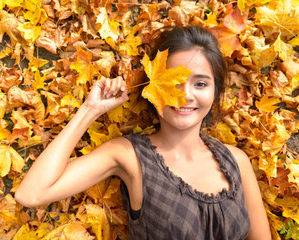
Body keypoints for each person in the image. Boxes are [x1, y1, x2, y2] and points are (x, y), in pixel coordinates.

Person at [15, 26, 271, 239]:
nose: (186, 95)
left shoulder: (235, 162)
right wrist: (90, 109)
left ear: (214, 92)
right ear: (152, 87)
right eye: (172, 81)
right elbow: (31, 194)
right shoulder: (129, 156)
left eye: (201, 83)